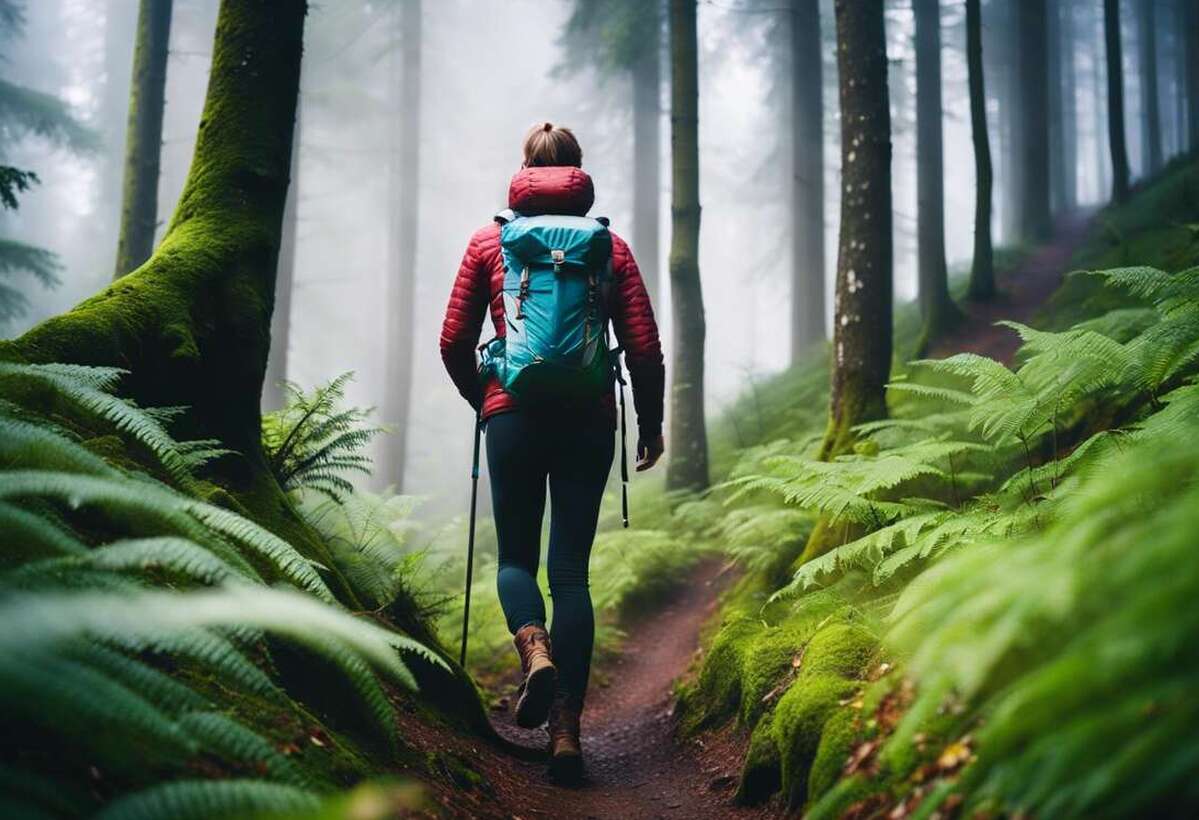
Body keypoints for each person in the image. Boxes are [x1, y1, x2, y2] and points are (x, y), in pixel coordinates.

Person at [439, 122, 665, 782]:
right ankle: (565, 733)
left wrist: (483, 400)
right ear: (578, 172)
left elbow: (453, 339)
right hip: (588, 419)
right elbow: (644, 348)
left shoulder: (491, 241)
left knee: (514, 556)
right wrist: (648, 423)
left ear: (524, 171)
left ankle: (531, 645)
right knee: (569, 571)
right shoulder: (608, 246)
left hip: (512, 413)